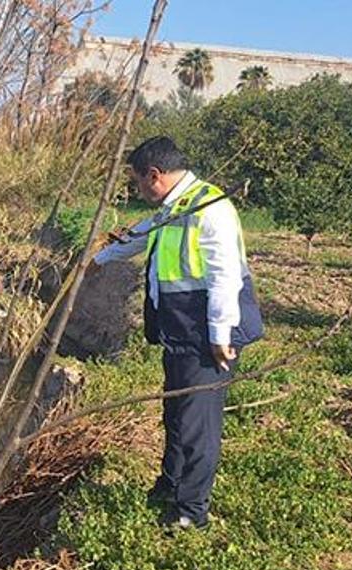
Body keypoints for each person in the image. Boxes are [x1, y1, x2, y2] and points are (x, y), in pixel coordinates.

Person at [90, 136, 264, 530]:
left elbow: (224, 276)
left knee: (197, 423)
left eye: (137, 183)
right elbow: (137, 239)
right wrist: (97, 261)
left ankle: (191, 511)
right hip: (180, 330)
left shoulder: (209, 207)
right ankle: (169, 486)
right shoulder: (177, 205)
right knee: (177, 415)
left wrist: (220, 335)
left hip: (206, 336)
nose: (137, 191)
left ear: (155, 175)